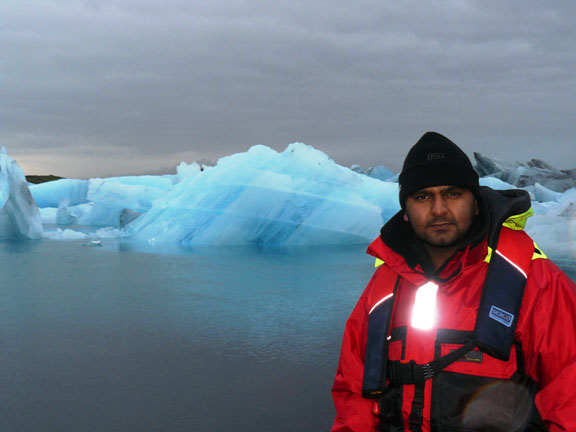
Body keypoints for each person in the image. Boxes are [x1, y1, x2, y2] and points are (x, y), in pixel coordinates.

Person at [331, 132, 576, 432]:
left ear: (475, 203)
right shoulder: (385, 284)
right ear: (405, 211)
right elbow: (353, 395)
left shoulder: (529, 280)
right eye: (423, 197)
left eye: (452, 193)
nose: (438, 210)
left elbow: (571, 398)